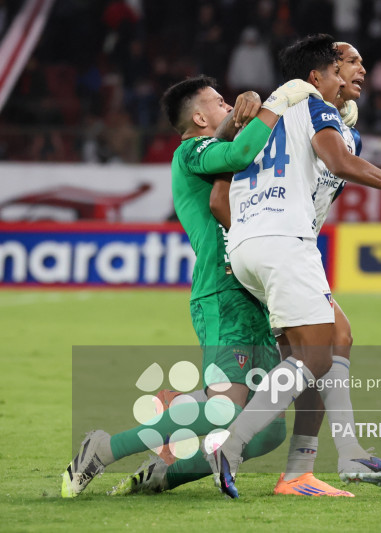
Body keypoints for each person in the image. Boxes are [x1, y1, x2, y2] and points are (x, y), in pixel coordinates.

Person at [61, 77, 326, 498]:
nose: (229, 106)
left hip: (255, 296)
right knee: (224, 409)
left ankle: (166, 474)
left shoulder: (220, 156)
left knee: (268, 430)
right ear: (200, 118)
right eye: (219, 102)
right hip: (221, 293)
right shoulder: (192, 152)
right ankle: (104, 449)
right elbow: (239, 152)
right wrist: (272, 105)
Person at [209, 34, 381, 499]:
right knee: (315, 360)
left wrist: (255, 236)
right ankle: (230, 447)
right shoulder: (315, 108)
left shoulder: (259, 119)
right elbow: (339, 162)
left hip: (247, 245)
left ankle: (315, 466)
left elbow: (220, 198)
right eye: (345, 65)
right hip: (286, 243)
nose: (356, 71)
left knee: (334, 338)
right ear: (317, 75)